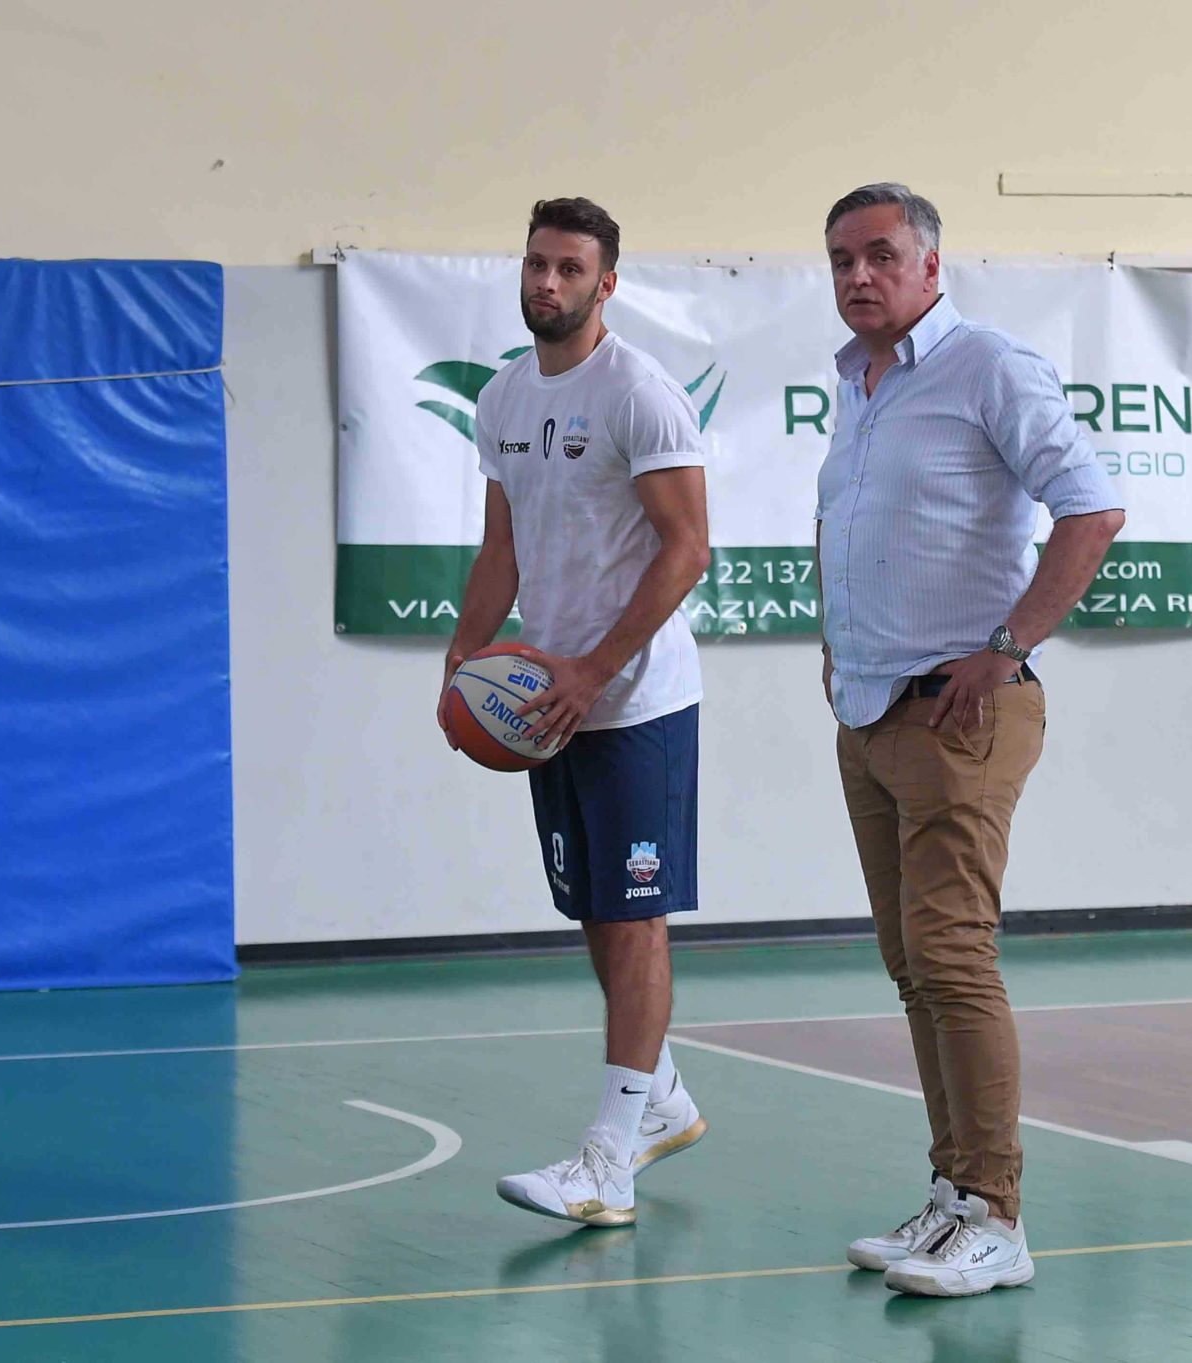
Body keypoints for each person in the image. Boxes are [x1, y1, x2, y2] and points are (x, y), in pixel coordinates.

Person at [816, 184, 1125, 1295]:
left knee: (952, 958)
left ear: (931, 266)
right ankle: (952, 1196)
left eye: (880, 255)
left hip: (961, 716)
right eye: (841, 258)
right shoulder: (858, 384)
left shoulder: (987, 366)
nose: (858, 275)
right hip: (870, 713)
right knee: (913, 968)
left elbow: (1090, 508)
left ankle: (997, 1215)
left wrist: (1008, 645)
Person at [441, 198, 712, 1227]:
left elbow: (688, 548)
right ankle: (661, 1096)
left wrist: (597, 669)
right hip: (548, 702)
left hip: (634, 698)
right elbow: (500, 549)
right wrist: (463, 657)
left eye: (567, 268)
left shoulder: (638, 393)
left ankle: (609, 1160)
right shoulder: (504, 396)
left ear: (606, 285)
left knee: (634, 919)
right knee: (596, 912)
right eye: (535, 264)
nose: (546, 283)